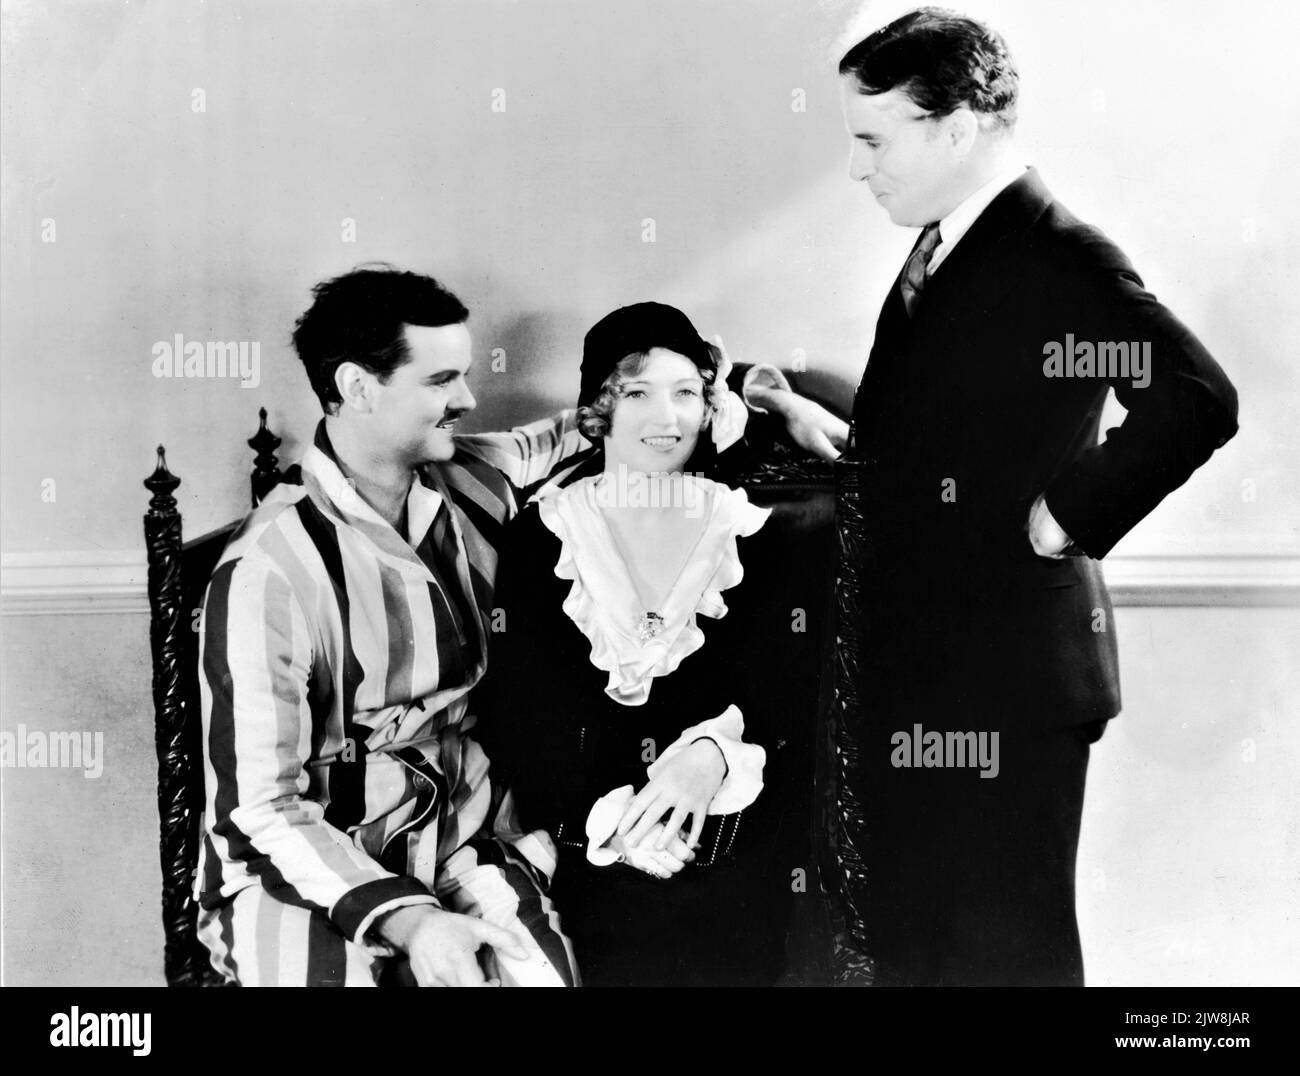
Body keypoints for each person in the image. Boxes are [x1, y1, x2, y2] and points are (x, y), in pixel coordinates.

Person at [196, 267, 845, 986]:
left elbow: (626, 410)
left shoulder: (477, 476)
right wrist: (410, 921)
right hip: (319, 860)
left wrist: (766, 396)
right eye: (442, 380)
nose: (469, 400)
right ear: (356, 387)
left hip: (469, 841)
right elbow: (261, 809)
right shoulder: (269, 569)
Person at [825, 9, 1239, 986]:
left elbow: (1195, 399)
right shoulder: (950, 244)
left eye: (872, 137)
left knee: (1005, 956)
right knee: (925, 947)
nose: (857, 166)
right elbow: (959, 435)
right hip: (936, 671)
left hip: (1005, 682)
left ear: (957, 125)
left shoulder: (1057, 255)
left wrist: (1060, 522)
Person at [474, 302, 830, 987]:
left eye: (686, 394)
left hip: (735, 835)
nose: (666, 418)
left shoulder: (755, 535)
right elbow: (521, 714)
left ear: (709, 408)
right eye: (638, 393)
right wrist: (612, 820)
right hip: (592, 840)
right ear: (600, 410)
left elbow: (791, 698)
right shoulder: (542, 539)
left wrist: (714, 756)